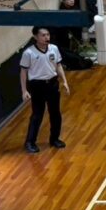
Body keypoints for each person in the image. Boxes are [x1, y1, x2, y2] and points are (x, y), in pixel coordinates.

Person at [19, 26, 70, 154]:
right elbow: (23, 72)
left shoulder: (54, 49)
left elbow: (58, 65)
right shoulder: (28, 53)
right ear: (35, 37)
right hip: (37, 86)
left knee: (55, 113)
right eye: (43, 35)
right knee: (37, 115)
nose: (46, 37)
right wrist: (24, 90)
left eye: (47, 34)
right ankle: (30, 142)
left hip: (52, 84)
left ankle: (54, 139)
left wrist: (64, 81)